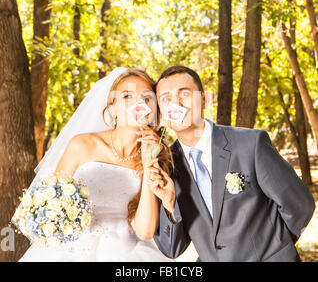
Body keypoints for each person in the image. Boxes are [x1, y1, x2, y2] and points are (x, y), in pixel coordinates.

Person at [153, 65, 315, 262]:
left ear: (204, 100)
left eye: (184, 94)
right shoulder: (168, 166)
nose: (175, 103)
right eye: (165, 98)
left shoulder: (250, 144)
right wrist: (169, 204)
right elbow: (172, 249)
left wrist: (275, 249)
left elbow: (300, 205)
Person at [18, 67, 174, 262]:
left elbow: (145, 231)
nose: (138, 103)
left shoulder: (156, 156)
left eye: (146, 97)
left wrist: (149, 163)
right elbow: (51, 202)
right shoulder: (81, 144)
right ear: (112, 108)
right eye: (127, 96)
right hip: (71, 248)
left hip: (126, 252)